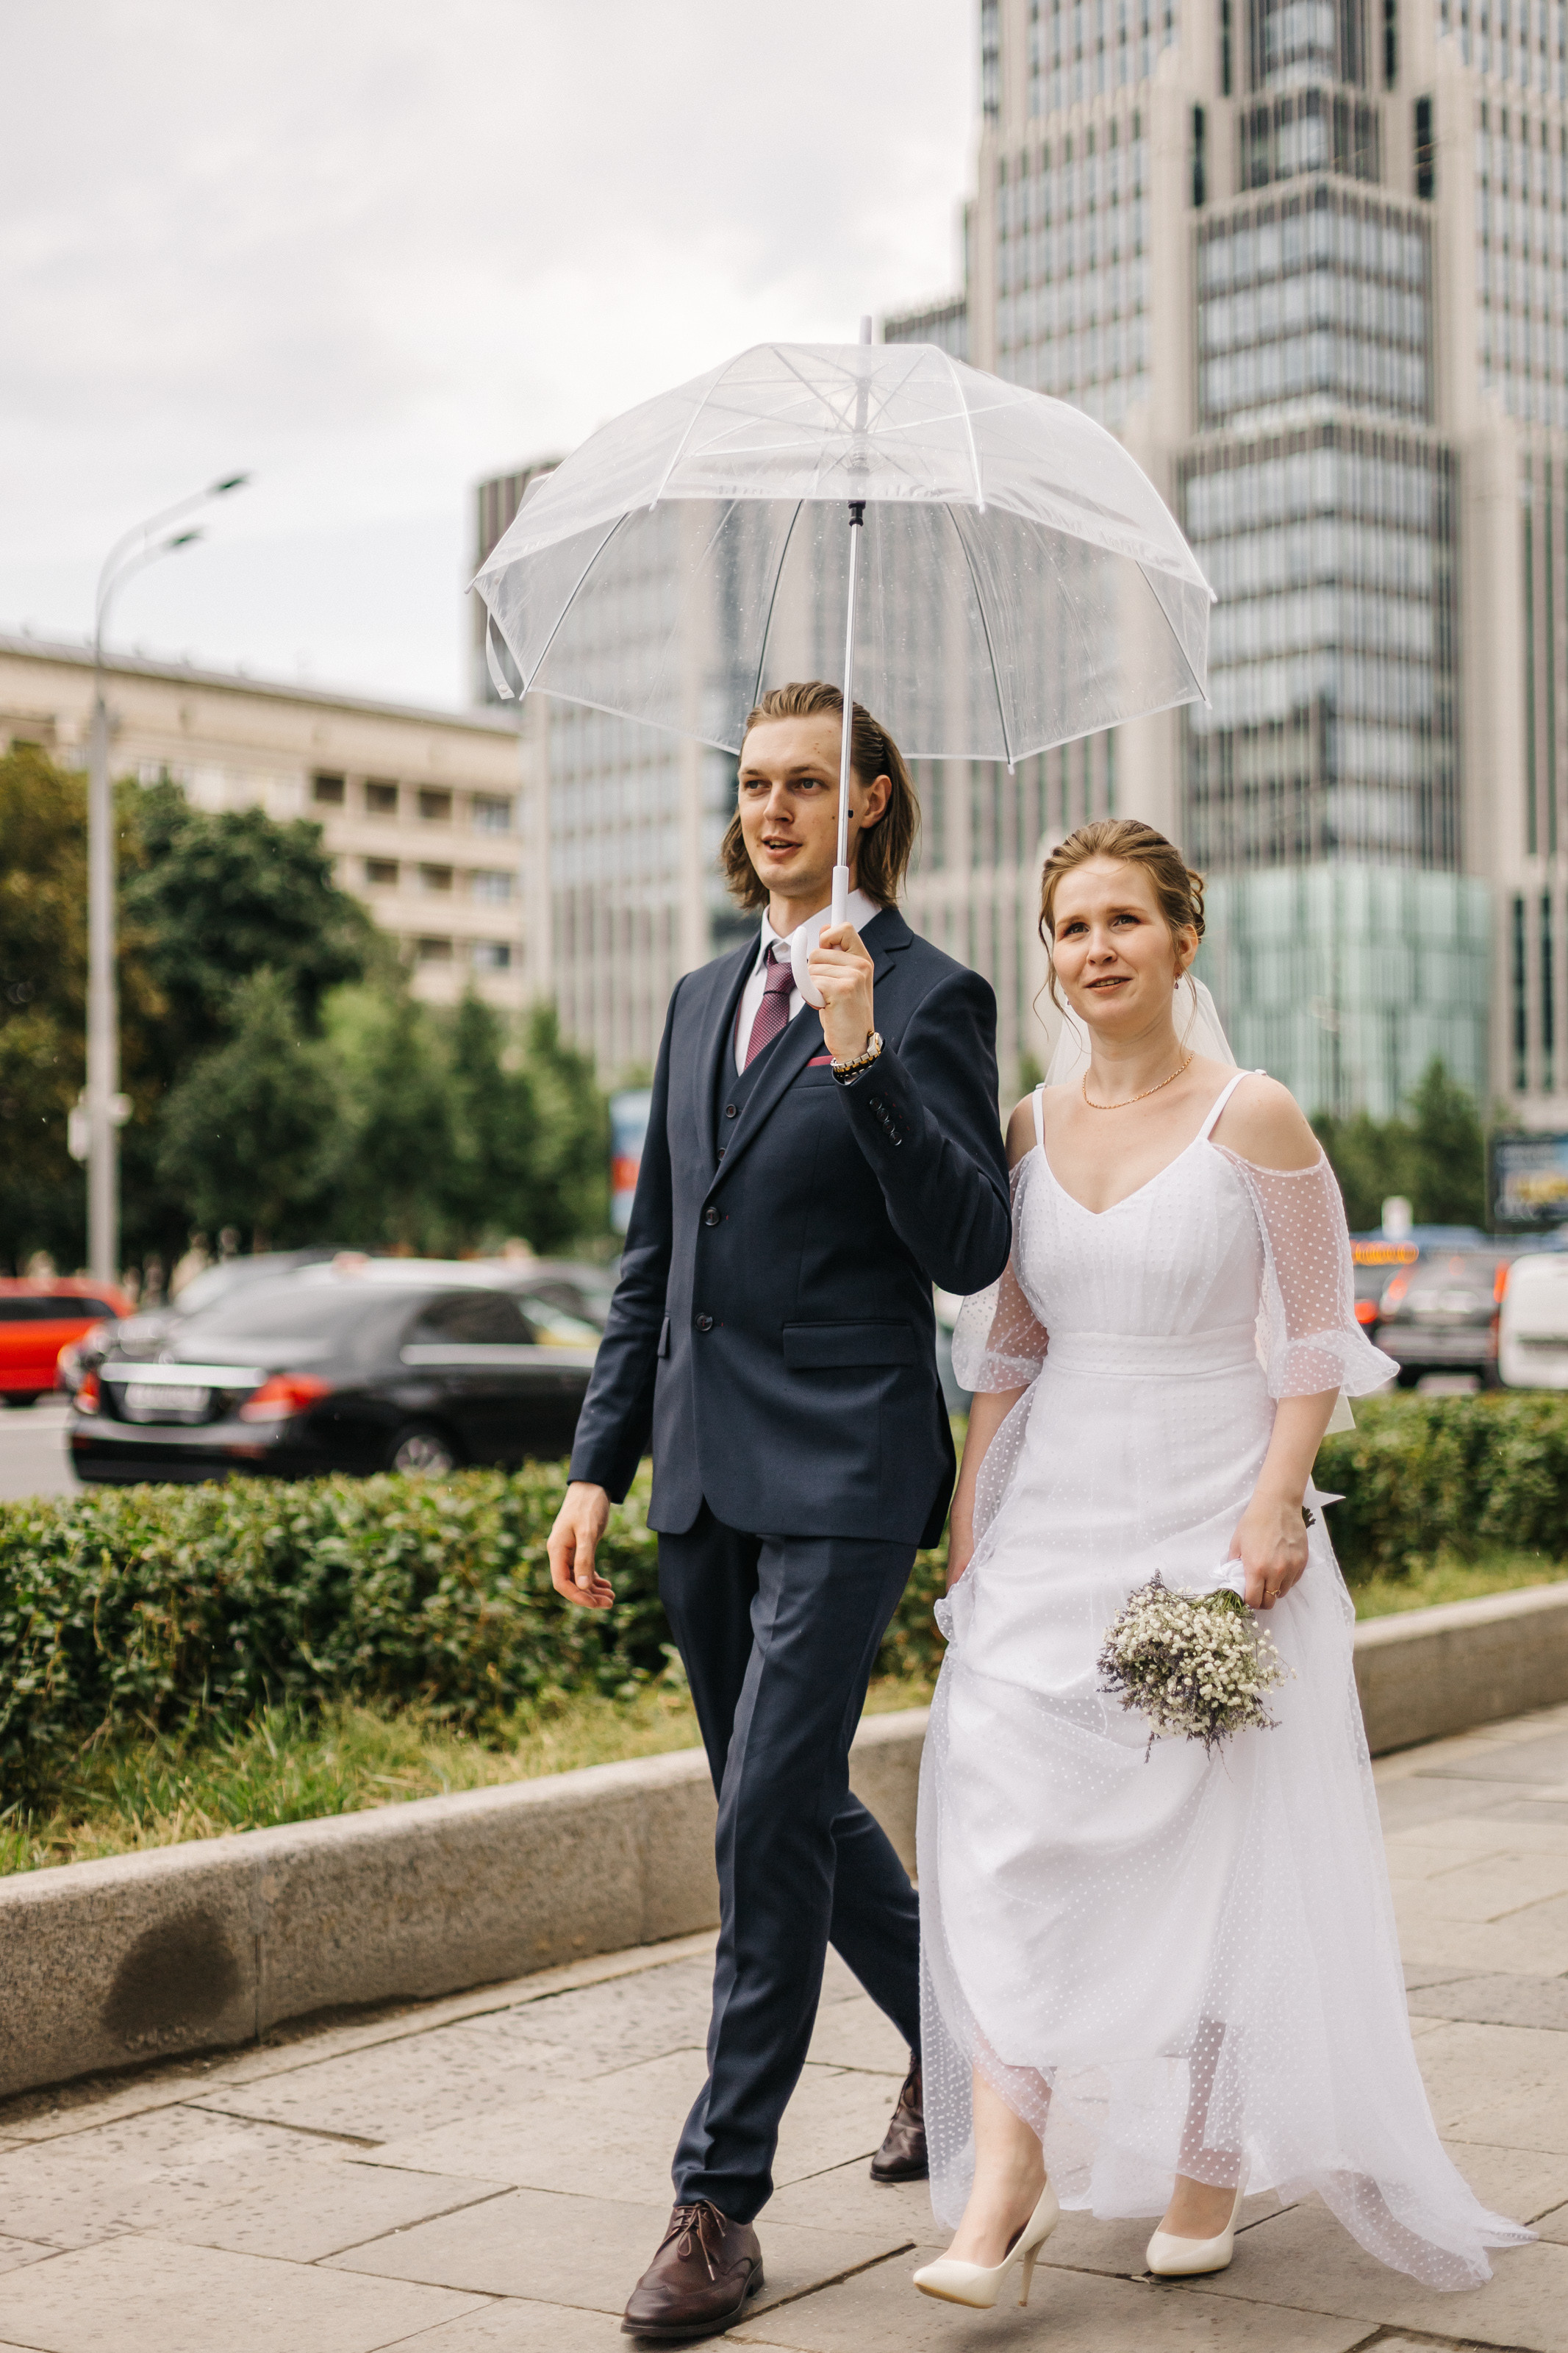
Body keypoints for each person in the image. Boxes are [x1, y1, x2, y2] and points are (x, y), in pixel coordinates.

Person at [912, 818, 1530, 2314]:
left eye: (1123, 919)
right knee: (998, 1833)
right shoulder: (1020, 1129)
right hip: (1052, 1512)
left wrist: (1272, 1507)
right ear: (1048, 957)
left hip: (1210, 1505)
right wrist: (970, 1528)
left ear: (1182, 938)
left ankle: (1205, 2161)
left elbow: (1316, 1335)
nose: (1095, 949)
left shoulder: (1254, 1116)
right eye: (1070, 928)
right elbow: (1008, 1351)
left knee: (1217, 1844)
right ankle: (1006, 2171)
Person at [548, 679, 1012, 2342]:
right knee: (793, 1802)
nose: (772, 808)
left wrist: (862, 1053)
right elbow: (651, 1261)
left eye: (807, 783)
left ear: (868, 801)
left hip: (846, 1468)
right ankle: (959, 2048)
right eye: (754, 783)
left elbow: (969, 1244)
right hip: (698, 1472)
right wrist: (598, 1461)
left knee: (759, 1819)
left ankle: (717, 2200)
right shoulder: (695, 999)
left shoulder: (930, 994)